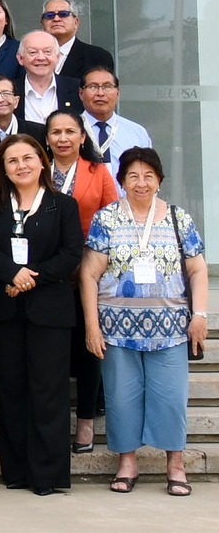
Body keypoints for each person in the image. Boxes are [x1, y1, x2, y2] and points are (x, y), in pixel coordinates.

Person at [80, 147, 207, 498]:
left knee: (171, 399)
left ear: (159, 181)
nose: (141, 183)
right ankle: (127, 463)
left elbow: (197, 270)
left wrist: (199, 316)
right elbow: (89, 274)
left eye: (148, 176)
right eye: (133, 176)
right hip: (117, 330)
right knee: (121, 399)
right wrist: (92, 325)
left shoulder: (179, 218)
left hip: (170, 330)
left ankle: (175, 465)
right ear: (122, 181)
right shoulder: (107, 219)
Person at [0, 132, 83, 496]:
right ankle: (16, 470)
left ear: (42, 161)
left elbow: (71, 254)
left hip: (49, 311)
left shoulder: (63, 205)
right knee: (10, 390)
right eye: (12, 160)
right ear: (3, 169)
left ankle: (47, 475)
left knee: (48, 392)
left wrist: (29, 278)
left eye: (27, 158)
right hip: (4, 310)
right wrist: (11, 273)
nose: (21, 165)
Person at [43, 107, 120, 454]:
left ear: (82, 137)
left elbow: (113, 220)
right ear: (47, 138)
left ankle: (86, 421)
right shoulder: (36, 168)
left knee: (89, 348)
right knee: (55, 350)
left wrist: (89, 266)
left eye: (70, 132)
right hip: (47, 273)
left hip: (89, 272)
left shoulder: (98, 171)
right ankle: (54, 423)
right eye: (56, 132)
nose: (63, 138)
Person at [76, 66, 153, 176]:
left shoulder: (137, 133)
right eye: (93, 87)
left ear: (118, 92)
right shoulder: (69, 130)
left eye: (107, 87)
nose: (100, 93)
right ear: (81, 93)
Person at [16, 29, 80, 125]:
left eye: (47, 52)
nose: (41, 58)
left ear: (58, 57)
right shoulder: (11, 91)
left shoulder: (77, 89)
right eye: (33, 52)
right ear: (20, 58)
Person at [41, 0, 114, 78]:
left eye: (63, 14)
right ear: (43, 24)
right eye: (50, 15)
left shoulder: (97, 57)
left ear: (76, 22)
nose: (56, 19)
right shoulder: (32, 57)